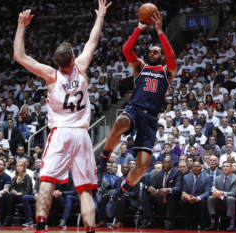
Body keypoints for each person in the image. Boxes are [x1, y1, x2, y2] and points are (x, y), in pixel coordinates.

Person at [13, 2, 112, 232]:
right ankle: (89, 229)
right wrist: (100, 17)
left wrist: (21, 26)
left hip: (60, 134)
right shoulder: (82, 66)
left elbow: (19, 55)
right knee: (85, 188)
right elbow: (93, 40)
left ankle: (40, 226)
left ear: (57, 63)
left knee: (46, 180)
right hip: (82, 135)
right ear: (73, 58)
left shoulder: (50, 76)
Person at [102, 12, 177, 218]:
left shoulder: (166, 71)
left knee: (143, 166)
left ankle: (118, 193)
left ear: (160, 56)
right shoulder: (141, 67)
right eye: (150, 51)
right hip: (135, 109)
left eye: (156, 52)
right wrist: (140, 28)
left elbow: (172, 57)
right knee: (120, 122)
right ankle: (103, 161)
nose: (152, 53)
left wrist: (160, 32)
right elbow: (126, 49)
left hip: (151, 118)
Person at [140, 156, 182, 230]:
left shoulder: (177, 172)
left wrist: (168, 189)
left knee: (170, 195)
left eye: (167, 162)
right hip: (161, 198)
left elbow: (178, 187)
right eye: (164, 163)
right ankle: (149, 220)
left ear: (172, 163)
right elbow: (153, 184)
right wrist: (151, 188)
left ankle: (170, 220)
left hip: (173, 200)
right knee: (146, 194)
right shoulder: (160, 173)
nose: (165, 164)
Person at [96, 163, 141, 229]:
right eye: (122, 168)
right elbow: (115, 190)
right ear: (121, 170)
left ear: (129, 169)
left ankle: (120, 222)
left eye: (126, 167)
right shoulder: (118, 180)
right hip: (118, 198)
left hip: (130, 200)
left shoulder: (134, 179)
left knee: (121, 197)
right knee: (104, 198)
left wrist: (125, 193)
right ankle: (103, 221)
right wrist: (111, 193)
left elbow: (135, 193)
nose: (124, 169)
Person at [206, 161, 236, 231]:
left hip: (231, 202)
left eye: (227, 166)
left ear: (231, 168)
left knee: (230, 198)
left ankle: (232, 224)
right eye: (224, 166)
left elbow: (234, 193)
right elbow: (215, 190)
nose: (225, 168)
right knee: (210, 198)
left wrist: (222, 193)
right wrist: (215, 193)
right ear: (222, 168)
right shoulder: (218, 178)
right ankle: (213, 223)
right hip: (219, 200)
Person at [0, 161, 33, 226]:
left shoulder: (27, 177)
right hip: (14, 195)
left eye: (21, 166)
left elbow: (28, 190)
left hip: (23, 196)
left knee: (9, 196)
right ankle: (0, 218)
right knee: (4, 196)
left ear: (24, 168)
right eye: (17, 166)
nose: (19, 167)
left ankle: (7, 218)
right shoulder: (14, 177)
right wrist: (12, 191)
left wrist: (18, 193)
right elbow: (11, 188)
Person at [180, 161, 213, 230]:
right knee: (182, 202)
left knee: (203, 203)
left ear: (201, 168)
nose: (196, 168)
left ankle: (203, 225)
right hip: (190, 199)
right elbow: (184, 191)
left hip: (200, 199)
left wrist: (197, 198)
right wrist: (184, 197)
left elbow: (208, 192)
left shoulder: (208, 177)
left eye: (198, 167)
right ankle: (188, 224)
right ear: (191, 168)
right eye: (194, 167)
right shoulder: (186, 177)